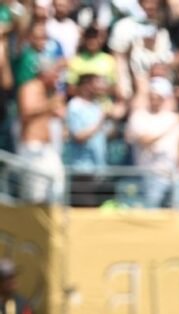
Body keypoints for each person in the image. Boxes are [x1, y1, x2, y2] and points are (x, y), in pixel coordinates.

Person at [126, 76, 179, 208]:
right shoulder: (139, 116)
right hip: (150, 175)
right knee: (150, 217)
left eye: (159, 97)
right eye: (152, 97)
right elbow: (145, 141)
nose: (155, 101)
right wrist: (171, 126)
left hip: (174, 176)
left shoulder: (174, 118)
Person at [17, 58, 65, 204]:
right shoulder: (29, 88)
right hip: (32, 147)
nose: (57, 78)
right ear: (45, 73)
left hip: (48, 148)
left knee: (57, 187)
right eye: (55, 74)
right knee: (35, 192)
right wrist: (49, 106)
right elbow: (26, 113)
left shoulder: (48, 92)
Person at [66, 74, 110, 170]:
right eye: (97, 82)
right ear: (87, 85)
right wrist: (100, 122)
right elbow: (78, 136)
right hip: (83, 168)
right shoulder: (75, 106)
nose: (101, 86)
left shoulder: (97, 105)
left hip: (99, 167)